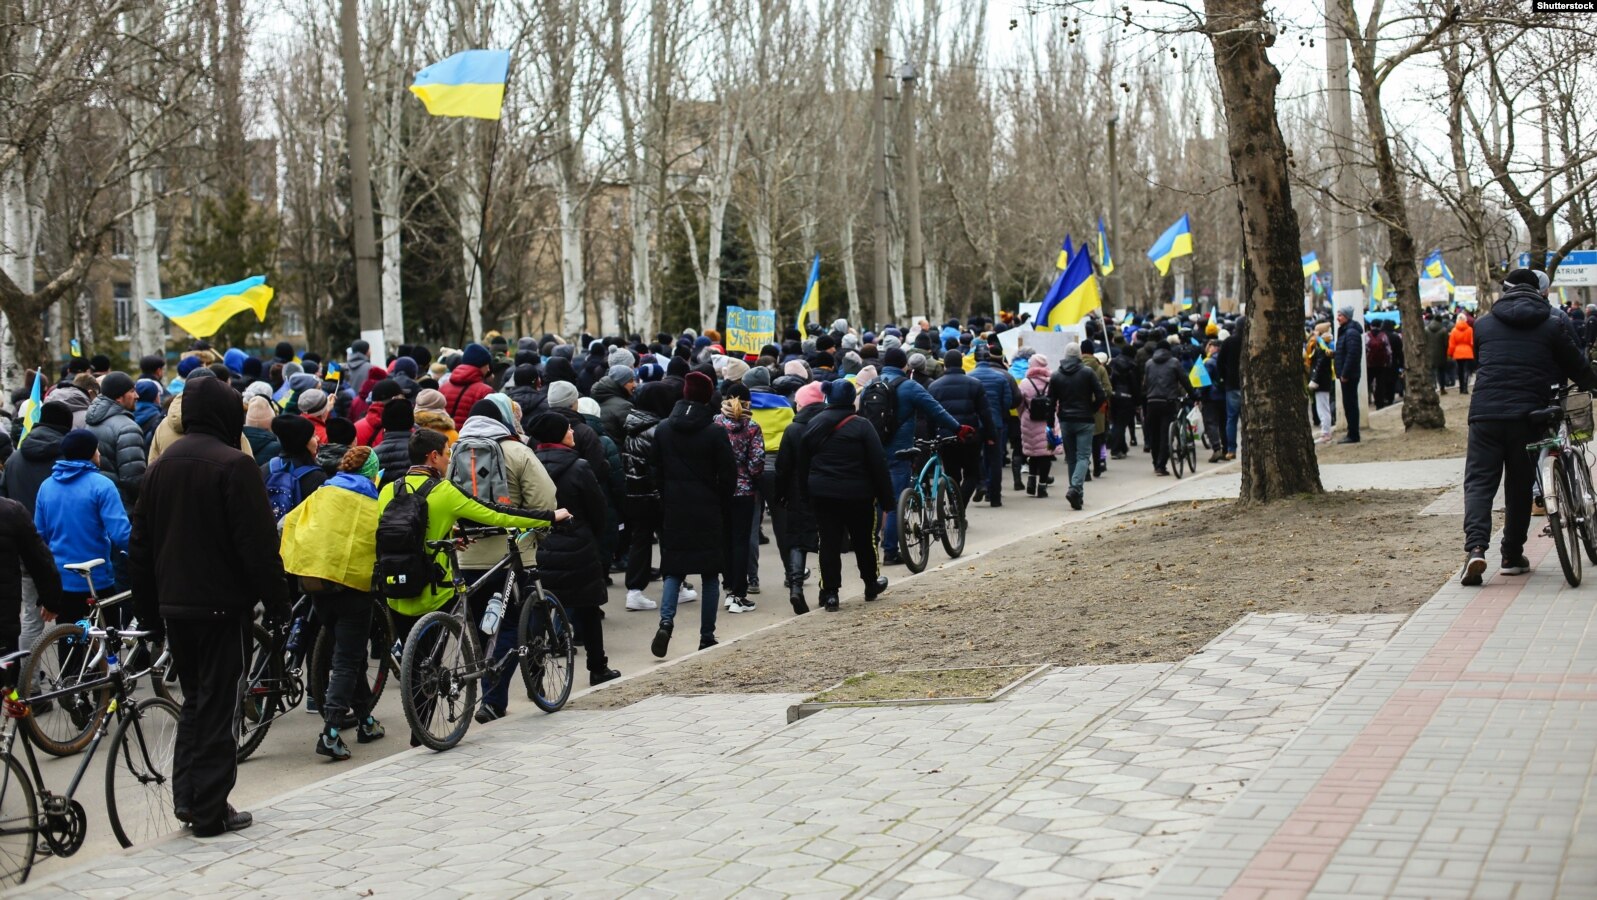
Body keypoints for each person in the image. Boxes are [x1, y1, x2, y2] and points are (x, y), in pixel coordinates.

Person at [129, 376, 291, 836]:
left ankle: (189, 798)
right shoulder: (234, 465)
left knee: (198, 701)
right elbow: (257, 545)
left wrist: (148, 613)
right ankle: (210, 809)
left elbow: (139, 544)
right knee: (220, 705)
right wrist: (278, 601)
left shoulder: (160, 465)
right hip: (221, 606)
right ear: (225, 415)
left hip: (175, 606)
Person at [1460, 269, 1597, 585]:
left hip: (1485, 416)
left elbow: (1485, 362)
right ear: (1540, 291)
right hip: (1528, 416)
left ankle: (1476, 549)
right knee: (1519, 487)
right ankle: (1511, 555)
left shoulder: (1482, 324)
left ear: (1504, 291)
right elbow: (1577, 366)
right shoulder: (1552, 324)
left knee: (1479, 483)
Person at [451, 399, 560, 721]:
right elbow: (544, 499)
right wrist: (538, 536)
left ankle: (481, 687)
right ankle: (492, 700)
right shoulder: (518, 452)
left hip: (466, 556)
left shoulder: (455, 453)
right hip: (512, 554)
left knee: (482, 629)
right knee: (512, 625)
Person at [278, 446, 387, 761]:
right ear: (372, 473)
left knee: (345, 652)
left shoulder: (323, 492)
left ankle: (366, 721)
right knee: (347, 660)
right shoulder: (372, 501)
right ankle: (331, 732)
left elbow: (284, 525)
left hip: (315, 583)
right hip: (354, 587)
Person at [525, 413, 619, 687]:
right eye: (568, 429)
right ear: (558, 434)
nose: (573, 433)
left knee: (539, 612)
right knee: (588, 609)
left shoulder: (529, 465)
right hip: (578, 545)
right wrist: (591, 535)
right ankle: (597, 667)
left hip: (539, 546)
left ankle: (536, 675)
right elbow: (598, 508)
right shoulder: (579, 467)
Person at [649, 372, 734, 658]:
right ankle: (706, 635)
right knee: (710, 574)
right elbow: (728, 474)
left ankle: (666, 621)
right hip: (708, 507)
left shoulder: (663, 429)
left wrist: (665, 497)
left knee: (673, 569)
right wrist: (722, 501)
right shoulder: (714, 431)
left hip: (674, 507)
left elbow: (656, 470)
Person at [793, 380, 892, 612]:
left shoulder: (814, 424)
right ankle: (870, 584)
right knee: (864, 541)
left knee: (828, 542)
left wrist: (806, 495)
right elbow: (878, 463)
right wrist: (887, 498)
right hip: (859, 494)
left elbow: (803, 464)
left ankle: (831, 593)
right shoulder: (862, 426)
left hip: (824, 494)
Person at [876, 347, 967, 565]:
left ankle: (874, 542)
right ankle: (890, 551)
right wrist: (958, 428)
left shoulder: (873, 384)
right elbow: (936, 410)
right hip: (900, 450)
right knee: (897, 500)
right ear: (904, 365)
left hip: (876, 450)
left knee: (880, 498)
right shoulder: (909, 386)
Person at [33, 429, 130, 625]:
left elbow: (40, 535)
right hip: (97, 579)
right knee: (108, 641)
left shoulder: (46, 486)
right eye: (97, 450)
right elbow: (121, 534)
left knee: (69, 643)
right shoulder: (103, 485)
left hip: (62, 579)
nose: (100, 454)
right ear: (90, 453)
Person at [0, 400, 73, 657]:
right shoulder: (67, 456)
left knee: (30, 618)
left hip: (18, 544)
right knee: (70, 616)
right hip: (65, 544)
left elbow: (5, 493)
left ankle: (29, 682)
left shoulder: (15, 458)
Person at [772, 381, 825, 613]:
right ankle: (827, 589)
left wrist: (780, 494)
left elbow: (782, 467)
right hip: (825, 489)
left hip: (797, 491)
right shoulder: (829, 425)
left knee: (797, 541)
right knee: (826, 540)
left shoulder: (793, 429)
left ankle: (796, 587)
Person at [714, 382, 765, 614]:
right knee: (741, 540)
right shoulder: (752, 426)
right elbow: (756, 463)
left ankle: (727, 585)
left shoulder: (715, 424)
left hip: (720, 490)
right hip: (744, 490)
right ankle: (738, 592)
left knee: (724, 538)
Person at [927, 350, 992, 508]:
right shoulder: (975, 384)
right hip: (970, 436)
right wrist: (990, 434)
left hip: (946, 437)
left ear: (946, 365)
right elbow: (985, 413)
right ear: (961, 363)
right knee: (971, 473)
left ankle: (955, 507)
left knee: (951, 474)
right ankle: (959, 507)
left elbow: (930, 415)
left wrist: (932, 437)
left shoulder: (934, 386)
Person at [1049, 343, 1106, 510]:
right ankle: (1074, 489)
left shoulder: (1057, 375)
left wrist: (1050, 423)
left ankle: (1076, 494)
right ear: (1079, 355)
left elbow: (1051, 401)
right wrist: (1092, 409)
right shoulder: (1087, 372)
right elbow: (1101, 394)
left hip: (1065, 420)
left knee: (1072, 458)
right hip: (1085, 419)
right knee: (1083, 457)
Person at [84, 371, 147, 507]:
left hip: (97, 501)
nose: (137, 396)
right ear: (119, 397)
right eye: (132, 391)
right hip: (123, 506)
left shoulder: (90, 422)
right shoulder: (128, 428)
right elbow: (133, 478)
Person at [968, 344, 1015, 507]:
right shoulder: (1001, 378)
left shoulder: (970, 377)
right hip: (995, 423)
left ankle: (981, 483)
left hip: (974, 424)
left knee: (975, 456)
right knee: (995, 460)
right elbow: (1007, 402)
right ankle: (994, 496)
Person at [1143, 337, 1189, 476]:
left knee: (1154, 434)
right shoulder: (1174, 362)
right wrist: (1194, 394)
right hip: (1168, 402)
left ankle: (1155, 462)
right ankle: (1161, 466)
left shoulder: (1149, 363)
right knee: (1165, 434)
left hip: (1151, 402)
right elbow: (1184, 380)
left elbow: (1145, 383)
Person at [1016, 354, 1057, 497]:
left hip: (1029, 420)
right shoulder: (1052, 382)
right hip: (1048, 421)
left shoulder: (1025, 383)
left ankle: (1031, 482)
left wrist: (1023, 416)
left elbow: (1019, 403)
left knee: (1032, 453)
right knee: (1046, 455)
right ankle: (1042, 486)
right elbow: (1056, 402)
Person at [440, 343, 495, 429]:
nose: (488, 369)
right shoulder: (485, 391)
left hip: (446, 439)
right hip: (469, 440)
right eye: (487, 364)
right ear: (480, 365)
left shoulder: (443, 387)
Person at [1334, 307, 1364, 444]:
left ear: (1347, 316)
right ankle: (1352, 432)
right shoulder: (1346, 332)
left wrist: (1345, 373)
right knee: (1348, 404)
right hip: (1346, 374)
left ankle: (1353, 434)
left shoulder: (1351, 333)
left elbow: (1352, 355)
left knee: (1350, 404)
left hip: (1349, 376)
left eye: (1340, 315)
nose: (1337, 318)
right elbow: (1345, 352)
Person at [1306, 323, 1336, 444]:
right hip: (1324, 380)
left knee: (1322, 408)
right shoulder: (1325, 345)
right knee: (1323, 407)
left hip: (1321, 382)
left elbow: (1319, 365)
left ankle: (1325, 433)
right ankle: (1326, 431)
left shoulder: (1322, 347)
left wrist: (1314, 379)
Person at [1218, 320, 1244, 459]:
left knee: (1231, 418)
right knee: (1248, 419)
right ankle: (1248, 447)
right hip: (1248, 385)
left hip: (1231, 384)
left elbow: (1220, 362)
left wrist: (1223, 378)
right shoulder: (1251, 341)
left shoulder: (1228, 342)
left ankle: (1231, 450)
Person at [1449, 313, 1476, 395]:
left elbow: (1452, 344)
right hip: (1468, 352)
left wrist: (1450, 353)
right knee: (1466, 370)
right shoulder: (1470, 330)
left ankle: (1461, 388)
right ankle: (1465, 388)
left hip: (1457, 353)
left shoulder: (1454, 330)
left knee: (1460, 371)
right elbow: (1472, 342)